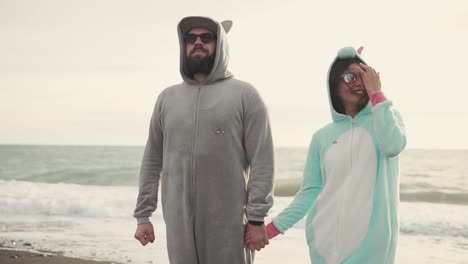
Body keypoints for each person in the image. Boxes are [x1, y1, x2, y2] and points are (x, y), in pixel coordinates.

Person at [133, 16, 274, 264]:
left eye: (206, 37)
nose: (198, 42)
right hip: (179, 224)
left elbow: (263, 161)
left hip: (228, 225)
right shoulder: (167, 99)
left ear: (220, 45)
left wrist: (256, 219)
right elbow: (152, 160)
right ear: (183, 45)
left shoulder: (245, 95)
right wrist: (143, 215)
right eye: (191, 38)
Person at [247, 46, 407, 263]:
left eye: (363, 75)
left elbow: (393, 146)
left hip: (371, 247)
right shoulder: (322, 137)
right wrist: (271, 230)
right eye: (351, 77)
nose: (358, 82)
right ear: (334, 85)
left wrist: (378, 95)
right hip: (323, 245)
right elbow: (310, 192)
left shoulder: (387, 116)